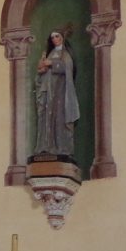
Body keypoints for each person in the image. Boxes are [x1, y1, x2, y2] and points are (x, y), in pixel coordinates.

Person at [33, 29, 81, 159]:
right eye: (52, 37)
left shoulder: (65, 54)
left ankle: (62, 148)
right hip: (48, 93)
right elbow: (41, 73)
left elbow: (67, 67)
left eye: (57, 36)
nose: (55, 39)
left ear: (62, 38)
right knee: (46, 119)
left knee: (60, 119)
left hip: (60, 93)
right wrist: (41, 70)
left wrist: (52, 63)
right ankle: (46, 147)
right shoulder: (50, 53)